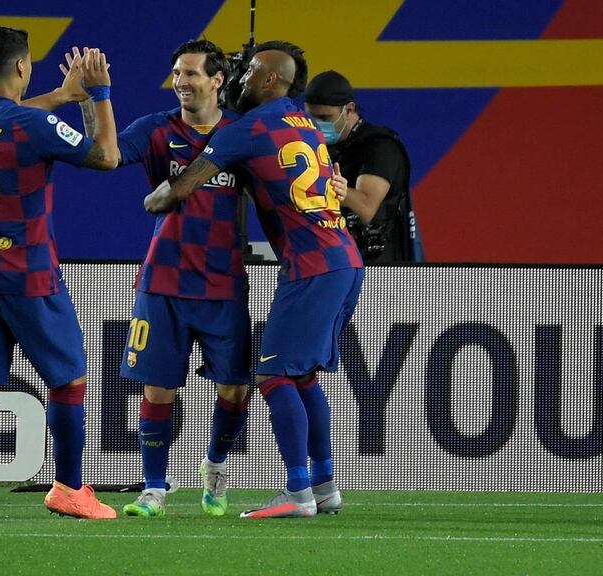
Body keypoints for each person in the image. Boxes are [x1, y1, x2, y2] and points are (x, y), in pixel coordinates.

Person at [145, 41, 361, 519]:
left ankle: (298, 492)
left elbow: (178, 190)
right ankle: (325, 485)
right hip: (344, 260)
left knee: (272, 375)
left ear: (269, 80)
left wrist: (154, 198)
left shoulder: (247, 129)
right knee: (302, 377)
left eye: (249, 73)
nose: (239, 79)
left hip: (312, 267)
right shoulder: (303, 124)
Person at [0, 26, 119, 522]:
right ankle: (68, 489)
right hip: (29, 277)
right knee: (70, 382)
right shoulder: (30, 126)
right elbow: (106, 156)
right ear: (22, 66)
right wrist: (98, 93)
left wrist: (62, 96)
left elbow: (15, 119)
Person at [83, 39, 253, 518]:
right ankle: (154, 487)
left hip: (223, 283)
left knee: (235, 390)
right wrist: (94, 97)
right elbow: (105, 155)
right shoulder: (158, 130)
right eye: (177, 73)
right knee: (157, 389)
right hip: (163, 280)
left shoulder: (242, 133)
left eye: (192, 74)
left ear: (218, 80)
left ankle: (216, 467)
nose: (181, 82)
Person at [304, 70, 422, 263]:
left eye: (325, 118)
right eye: (313, 118)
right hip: (333, 261)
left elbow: (366, 208)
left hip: (378, 268)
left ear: (349, 110)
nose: (318, 125)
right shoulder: (318, 147)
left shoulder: (379, 147)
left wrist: (327, 187)